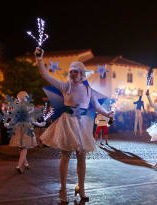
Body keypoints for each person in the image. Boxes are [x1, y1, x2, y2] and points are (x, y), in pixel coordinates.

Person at [35, 47, 113, 203]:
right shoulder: (66, 86)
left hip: (83, 125)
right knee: (65, 156)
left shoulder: (88, 89)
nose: (72, 74)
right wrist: (39, 59)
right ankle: (63, 191)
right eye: (71, 71)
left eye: (75, 71)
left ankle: (81, 188)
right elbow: (45, 75)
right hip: (68, 123)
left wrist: (107, 113)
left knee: (82, 157)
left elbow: (96, 106)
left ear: (82, 74)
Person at [5, 91, 46, 173]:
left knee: (21, 147)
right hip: (27, 128)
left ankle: (26, 164)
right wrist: (40, 124)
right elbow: (32, 120)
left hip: (19, 128)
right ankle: (19, 165)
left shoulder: (16, 107)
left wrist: (8, 124)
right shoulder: (29, 107)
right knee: (24, 147)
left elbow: (14, 119)